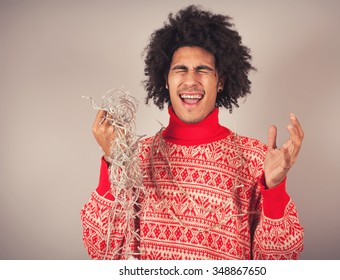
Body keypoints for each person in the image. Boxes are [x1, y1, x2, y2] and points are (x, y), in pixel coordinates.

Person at [80, 5, 304, 260]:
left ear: (220, 81)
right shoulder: (137, 158)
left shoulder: (255, 159)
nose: (191, 80)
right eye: (180, 69)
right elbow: (103, 251)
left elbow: (279, 263)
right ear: (165, 79)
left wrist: (274, 189)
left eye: (203, 70)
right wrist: (114, 163)